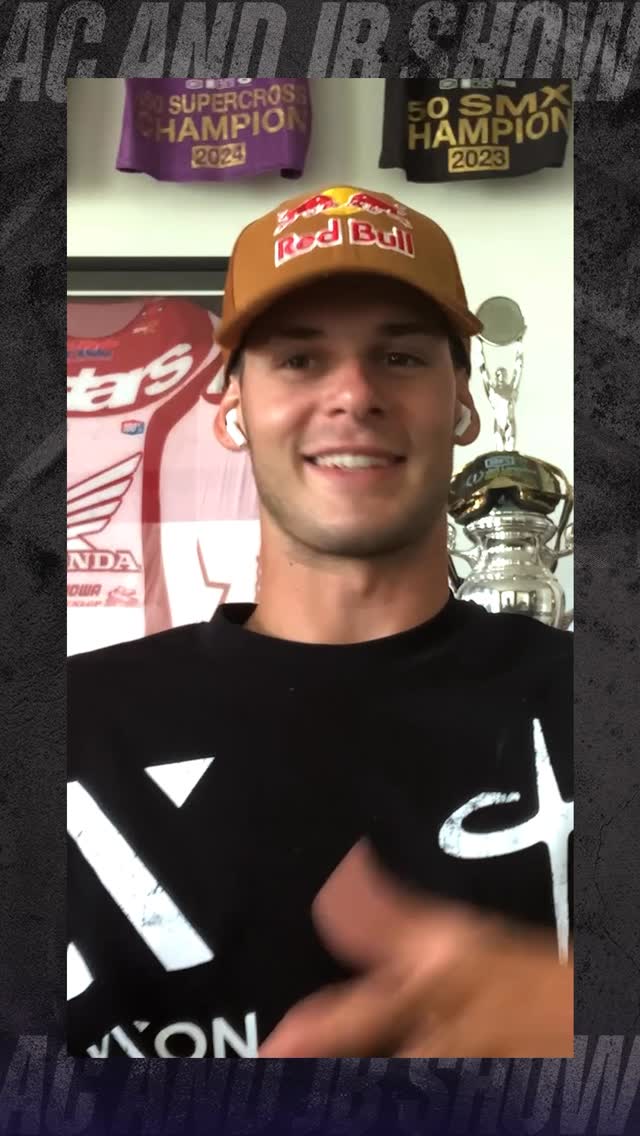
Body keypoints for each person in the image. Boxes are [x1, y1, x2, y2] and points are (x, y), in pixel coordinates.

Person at [67, 184, 573, 1059]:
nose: (353, 394)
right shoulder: (65, 722)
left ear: (463, 404)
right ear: (231, 408)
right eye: (300, 359)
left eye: (400, 357)